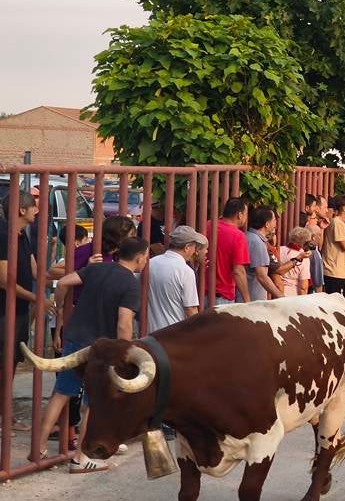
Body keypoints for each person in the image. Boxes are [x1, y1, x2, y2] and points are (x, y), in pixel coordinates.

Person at [38, 237, 149, 473]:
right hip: (101, 348)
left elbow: (64, 282)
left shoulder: (97, 268)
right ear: (140, 257)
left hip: (76, 338)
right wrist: (124, 353)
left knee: (61, 393)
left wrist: (59, 307)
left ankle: (38, 449)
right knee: (93, 403)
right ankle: (81, 458)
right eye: (146, 256)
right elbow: (124, 322)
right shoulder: (130, 284)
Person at [0, 191, 40, 433]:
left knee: (12, 363)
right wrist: (37, 298)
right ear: (21, 210)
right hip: (4, 312)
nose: (37, 210)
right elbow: (5, 280)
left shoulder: (22, 235)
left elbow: (37, 272)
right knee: (5, 365)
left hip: (19, 310)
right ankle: (6, 420)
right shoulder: (4, 235)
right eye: (33, 206)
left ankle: (7, 417)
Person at [147, 226, 206, 333]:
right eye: (194, 247)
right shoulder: (185, 271)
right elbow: (191, 309)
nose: (194, 251)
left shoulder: (151, 263)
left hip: (150, 331)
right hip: (174, 332)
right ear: (187, 247)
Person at [214, 198, 251, 304]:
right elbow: (238, 271)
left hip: (201, 292)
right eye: (246, 214)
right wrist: (247, 300)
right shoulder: (238, 236)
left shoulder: (208, 225)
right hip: (223, 295)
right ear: (239, 215)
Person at [242, 206, 283, 301]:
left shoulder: (248, 237)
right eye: (274, 220)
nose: (275, 223)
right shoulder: (257, 242)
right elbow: (262, 276)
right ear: (267, 224)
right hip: (253, 300)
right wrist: (281, 297)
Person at [276, 226, 313, 297]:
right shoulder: (304, 257)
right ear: (306, 242)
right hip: (293, 296)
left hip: (276, 292)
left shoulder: (279, 250)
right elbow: (303, 287)